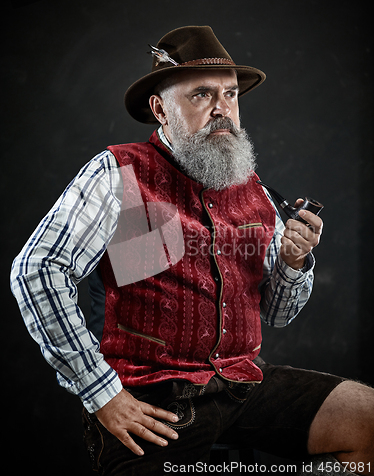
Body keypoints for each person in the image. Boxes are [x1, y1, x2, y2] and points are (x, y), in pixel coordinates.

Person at [10, 26, 374, 475]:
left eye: (230, 95)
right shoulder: (118, 173)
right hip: (152, 399)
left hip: (241, 383)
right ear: (160, 108)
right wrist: (101, 393)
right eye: (202, 94)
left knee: (369, 422)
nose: (222, 109)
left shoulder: (255, 189)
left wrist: (293, 263)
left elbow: (279, 312)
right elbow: (38, 269)